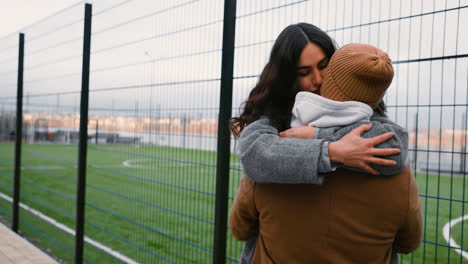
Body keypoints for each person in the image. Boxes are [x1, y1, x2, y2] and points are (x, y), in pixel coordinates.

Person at [229, 24, 421, 263]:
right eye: (304, 72)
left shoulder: (372, 123)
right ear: (286, 78)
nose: (318, 80)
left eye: (324, 66)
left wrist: (318, 137)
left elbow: (395, 147)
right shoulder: (275, 127)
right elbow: (252, 151)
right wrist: (332, 151)